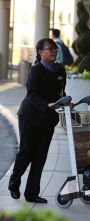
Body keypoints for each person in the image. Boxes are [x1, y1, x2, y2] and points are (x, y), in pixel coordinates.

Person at [8, 38, 66, 203]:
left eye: (55, 49)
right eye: (50, 49)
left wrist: (65, 102)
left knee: (40, 156)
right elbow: (32, 94)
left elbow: (61, 91)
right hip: (30, 117)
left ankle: (31, 193)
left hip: (48, 118)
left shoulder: (60, 70)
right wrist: (47, 104)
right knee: (26, 152)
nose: (54, 51)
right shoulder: (36, 70)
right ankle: (14, 184)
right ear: (40, 52)